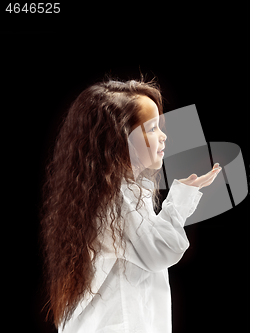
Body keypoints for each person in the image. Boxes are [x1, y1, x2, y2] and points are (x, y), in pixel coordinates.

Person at [40, 79, 222, 332]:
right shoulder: (118, 196)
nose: (163, 136)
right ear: (118, 138)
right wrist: (180, 199)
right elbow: (160, 250)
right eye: (151, 128)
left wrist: (185, 192)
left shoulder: (115, 190)